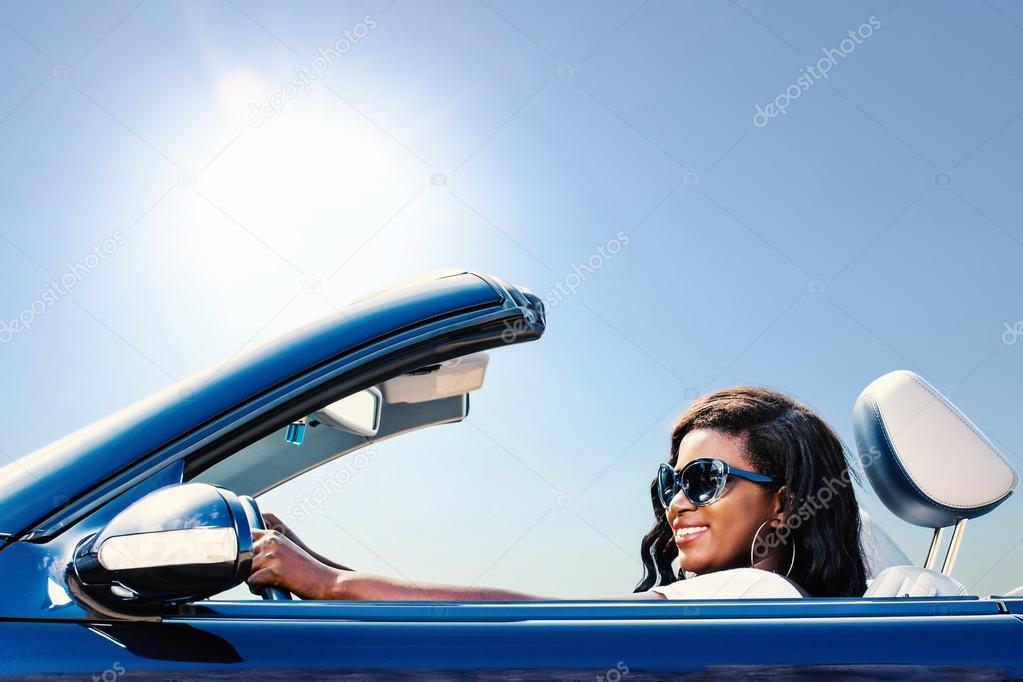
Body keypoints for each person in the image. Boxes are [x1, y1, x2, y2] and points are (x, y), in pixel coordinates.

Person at [247, 386, 867, 600]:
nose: (678, 502)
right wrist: (329, 569)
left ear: (783, 504)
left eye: (705, 480)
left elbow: (528, 612)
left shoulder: (752, 592)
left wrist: (330, 586)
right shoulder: (786, 607)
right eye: (670, 481)